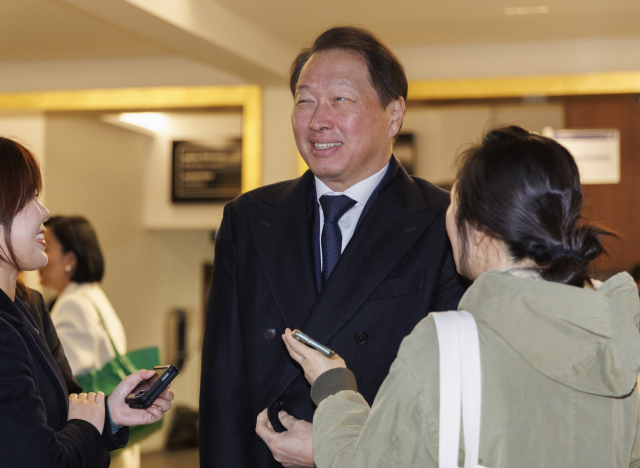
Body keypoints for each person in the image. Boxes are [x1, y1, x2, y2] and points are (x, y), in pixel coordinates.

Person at [265, 126, 640, 467]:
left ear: (480, 231)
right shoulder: (620, 340)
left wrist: (335, 389)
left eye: (454, 204)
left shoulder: (447, 347)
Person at [200, 26, 466, 468]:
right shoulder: (248, 218)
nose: (318, 119)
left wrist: (338, 450)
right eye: (305, 100)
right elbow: (224, 385)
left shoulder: (444, 221)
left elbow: (448, 395)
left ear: (394, 114)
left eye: (340, 99)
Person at [0, 136, 174, 467]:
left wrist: (109, 412)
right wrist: (84, 423)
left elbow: (65, 409)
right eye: (29, 199)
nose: (44, 212)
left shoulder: (31, 305)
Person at [39, 215, 139, 468]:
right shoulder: (92, 295)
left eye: (47, 245)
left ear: (69, 260)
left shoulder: (72, 304)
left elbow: (64, 379)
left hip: (92, 437)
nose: (41, 251)